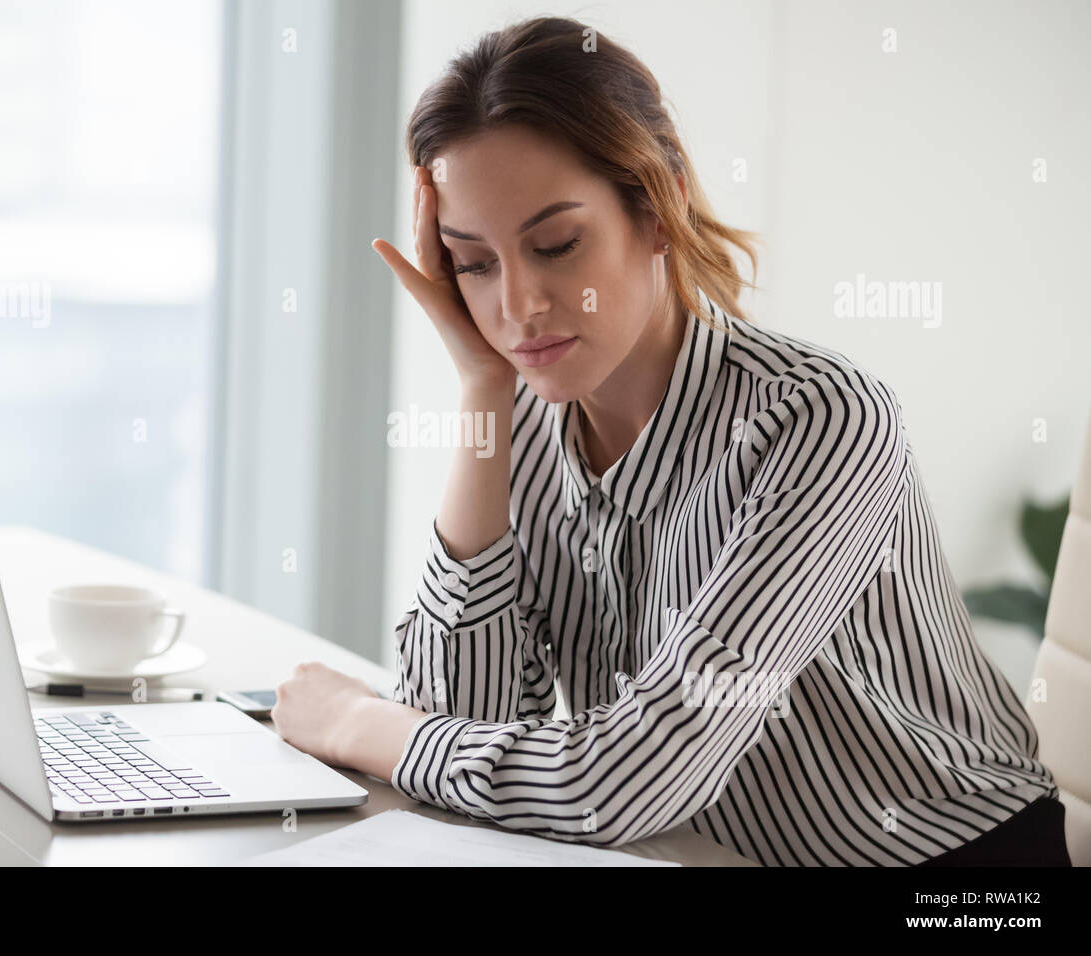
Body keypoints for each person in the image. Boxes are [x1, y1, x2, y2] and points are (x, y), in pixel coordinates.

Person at [269, 15, 1070, 867]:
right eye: (474, 263)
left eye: (555, 245)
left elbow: (622, 782)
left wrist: (361, 720)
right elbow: (463, 715)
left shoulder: (822, 421)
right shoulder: (526, 421)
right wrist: (480, 393)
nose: (518, 306)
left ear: (659, 209)